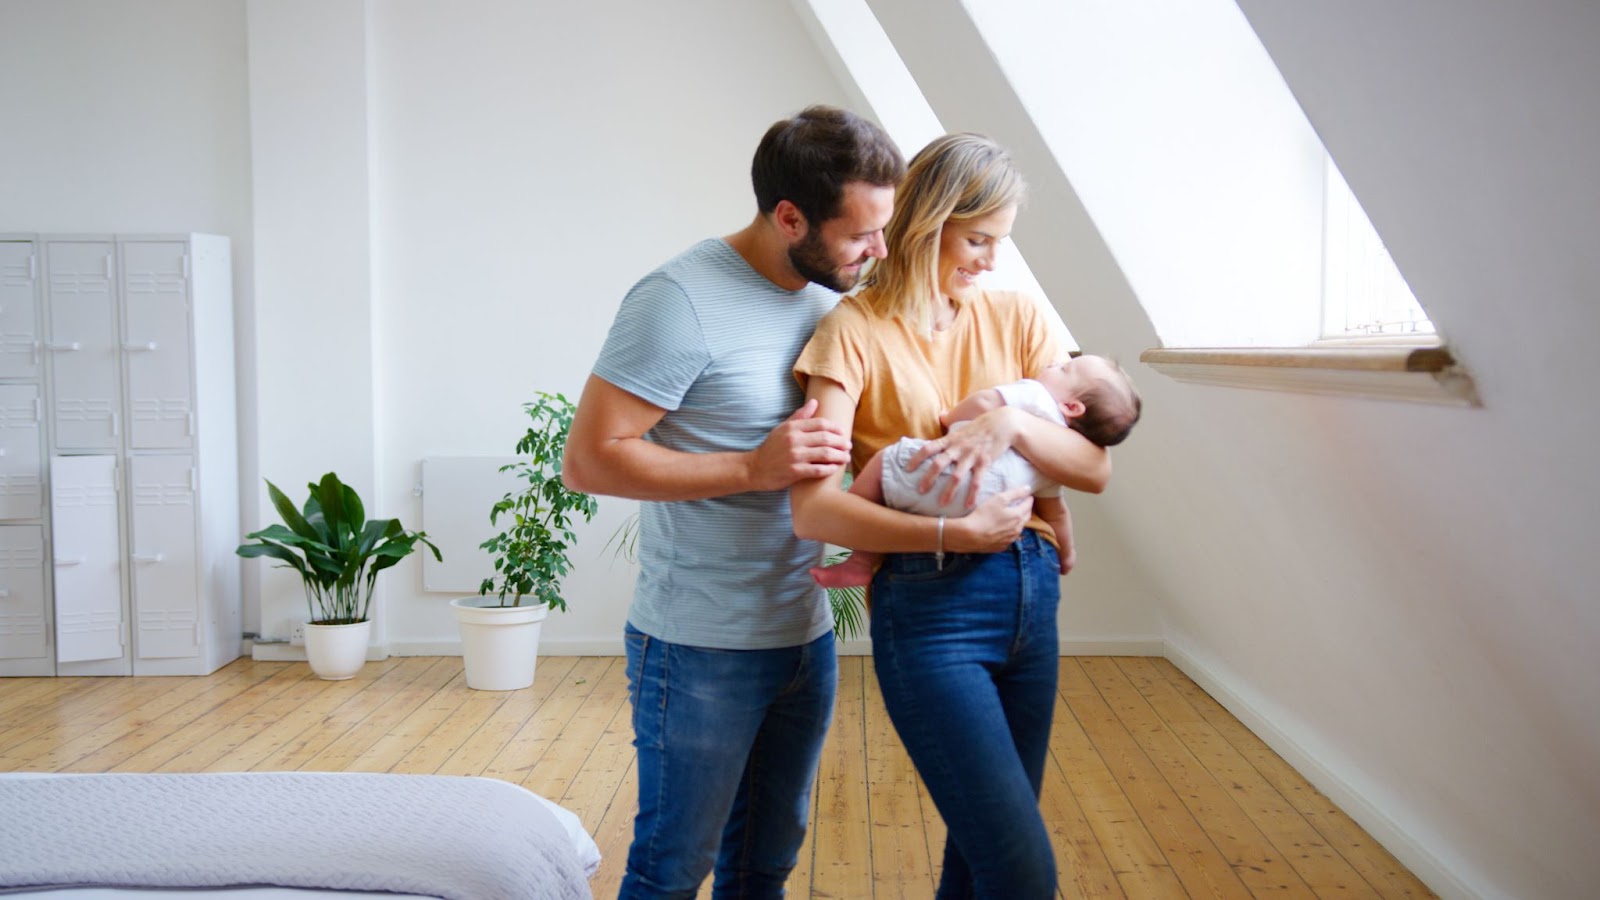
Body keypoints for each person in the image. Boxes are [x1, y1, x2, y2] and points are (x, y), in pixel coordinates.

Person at [561, 105, 905, 899]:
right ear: (790, 218)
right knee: (672, 869)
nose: (879, 251)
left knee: (765, 865)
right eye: (861, 234)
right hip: (698, 647)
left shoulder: (836, 300)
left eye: (883, 230)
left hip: (803, 634)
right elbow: (589, 459)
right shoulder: (677, 299)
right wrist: (751, 468)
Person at [790, 132, 1113, 899]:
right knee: (1021, 872)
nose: (991, 261)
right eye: (978, 240)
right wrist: (950, 533)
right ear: (928, 220)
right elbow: (815, 511)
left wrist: (1010, 423)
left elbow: (1094, 466)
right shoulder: (851, 331)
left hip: (1033, 594)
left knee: (978, 861)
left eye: (1000, 242)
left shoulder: (1019, 318)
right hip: (931, 610)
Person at [810, 355, 1140, 589]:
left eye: (1065, 368)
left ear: (1072, 407)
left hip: (947, 477)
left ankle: (860, 552)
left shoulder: (1037, 397)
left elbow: (984, 402)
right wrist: (1067, 555)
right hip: (994, 511)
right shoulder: (1054, 455)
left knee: (886, 461)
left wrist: (951, 416)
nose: (1054, 362)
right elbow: (1056, 513)